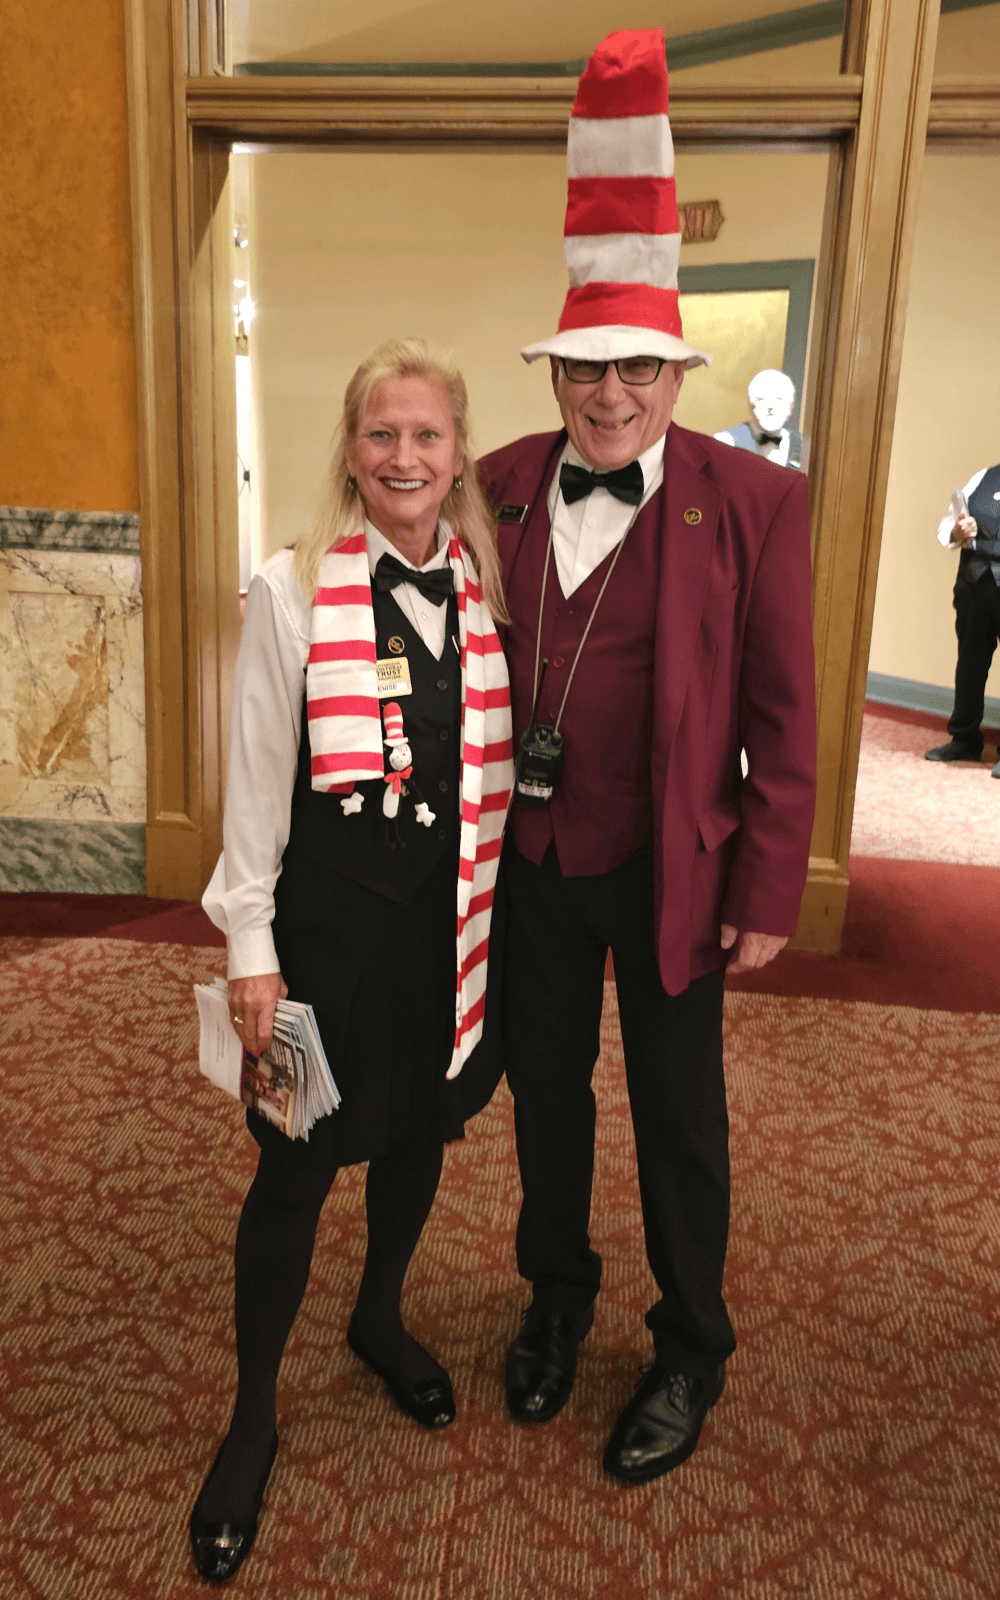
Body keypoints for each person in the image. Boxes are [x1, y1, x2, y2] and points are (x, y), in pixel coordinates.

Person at [479, 30, 816, 1485]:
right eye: (585, 366)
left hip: (674, 865)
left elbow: (786, 714)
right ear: (557, 370)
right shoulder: (498, 483)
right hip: (533, 864)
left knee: (680, 1116)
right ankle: (556, 1294)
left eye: (634, 367)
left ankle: (690, 1346)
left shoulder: (754, 503)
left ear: (675, 373)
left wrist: (770, 884)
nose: (608, 393)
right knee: (545, 1096)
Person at [190, 338, 513, 1582]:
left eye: (426, 435)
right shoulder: (290, 589)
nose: (404, 456)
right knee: (292, 1172)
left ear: (458, 453)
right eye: (382, 433)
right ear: (351, 449)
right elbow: (254, 785)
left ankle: (378, 1313)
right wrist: (250, 948)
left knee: (417, 1134)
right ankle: (251, 1415)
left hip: (446, 939)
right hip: (321, 942)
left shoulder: (481, 591)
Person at [924, 463, 1000, 776]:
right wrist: (958, 531)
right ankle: (964, 739)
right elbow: (949, 524)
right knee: (970, 662)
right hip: (974, 582)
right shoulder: (984, 477)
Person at [715, 368, 803, 469]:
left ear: (790, 408)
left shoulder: (802, 446)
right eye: (762, 399)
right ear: (752, 407)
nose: (771, 406)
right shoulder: (727, 441)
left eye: (779, 399)